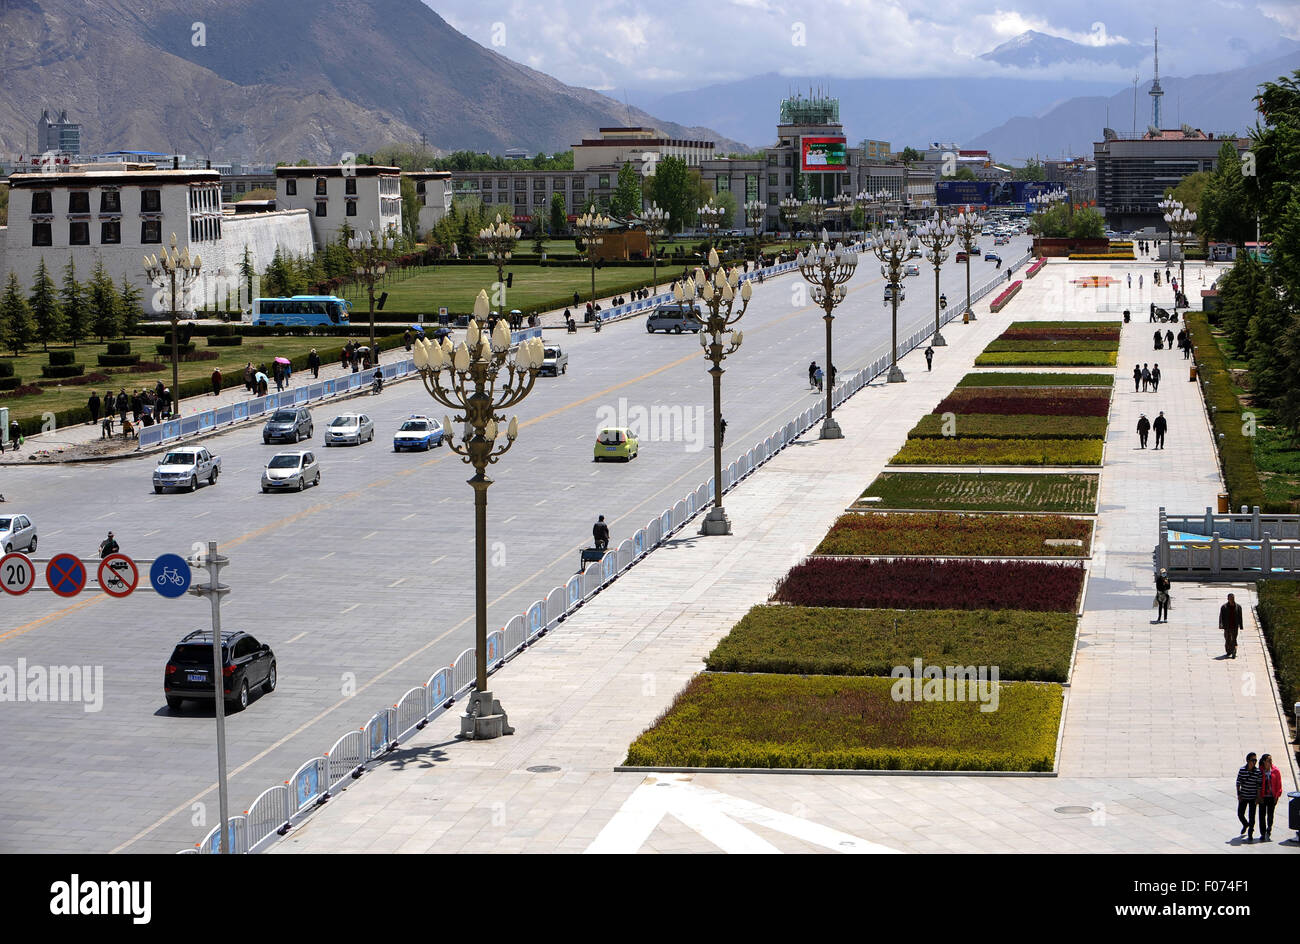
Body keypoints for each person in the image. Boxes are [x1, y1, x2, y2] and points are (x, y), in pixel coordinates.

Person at [1256, 753, 1283, 842]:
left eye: (1271, 760)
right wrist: (1258, 796)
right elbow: (1257, 784)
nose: (1270, 762)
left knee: (1270, 815)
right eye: (1269, 760)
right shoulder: (1260, 771)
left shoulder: (1275, 771)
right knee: (1262, 815)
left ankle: (1269, 828)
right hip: (1263, 797)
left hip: (1272, 797)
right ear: (1264, 762)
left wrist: (1277, 795)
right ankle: (1262, 833)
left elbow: (1279, 784)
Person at [1236, 752, 1261, 841]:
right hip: (1243, 796)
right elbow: (1238, 782)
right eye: (1252, 760)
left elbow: (1259, 785)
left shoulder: (1257, 772)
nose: (1254, 762)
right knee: (1240, 814)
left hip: (1253, 797)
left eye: (1255, 760)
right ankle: (1245, 824)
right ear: (1247, 760)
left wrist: (1258, 797)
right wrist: (1238, 794)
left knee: (1252, 816)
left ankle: (1250, 832)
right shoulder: (1242, 770)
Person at [1220, 592, 1244, 659]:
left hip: (1235, 626)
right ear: (1228, 599)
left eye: (1233, 598)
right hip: (1227, 626)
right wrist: (1221, 625)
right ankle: (1228, 651)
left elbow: (1240, 616)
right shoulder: (1224, 607)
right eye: (1230, 598)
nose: (1232, 599)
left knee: (1234, 639)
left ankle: (1234, 651)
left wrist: (1241, 625)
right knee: (1227, 639)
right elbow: (1221, 617)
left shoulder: (1238, 607)